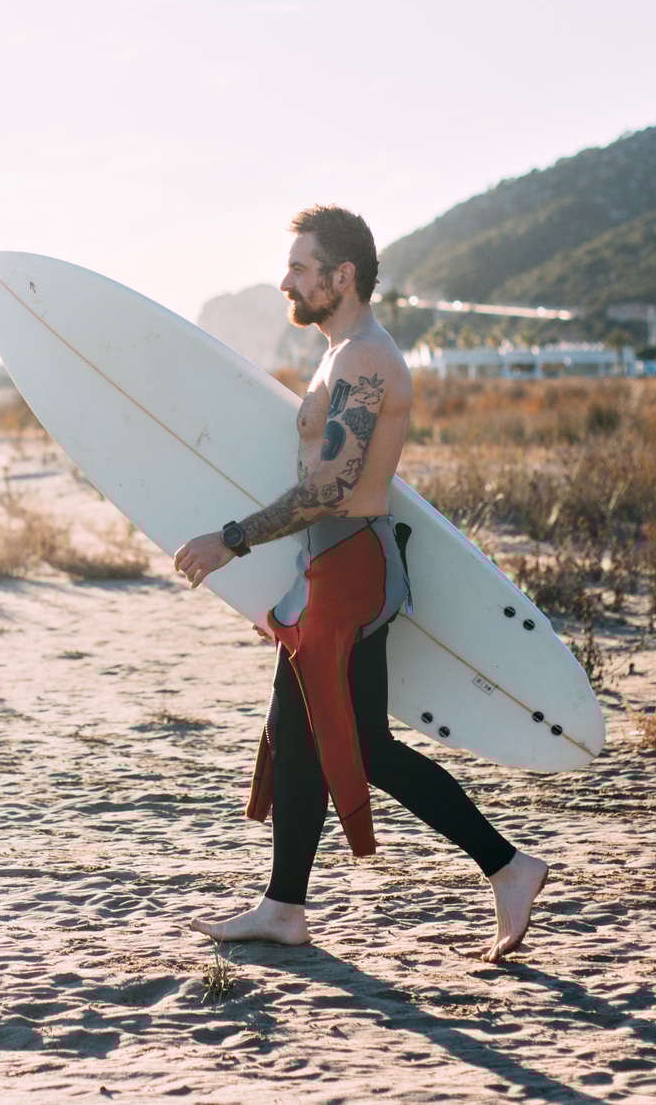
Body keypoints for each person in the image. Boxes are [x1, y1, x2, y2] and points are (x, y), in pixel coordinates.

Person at [174, 205, 549, 962]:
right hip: (329, 567)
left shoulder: (365, 361)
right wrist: (284, 590)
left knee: (365, 745)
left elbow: (332, 488)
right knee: (298, 732)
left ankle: (508, 865)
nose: (286, 280)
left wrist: (232, 541)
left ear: (342, 276)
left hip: (348, 568)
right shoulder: (340, 352)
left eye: (301, 266)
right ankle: (284, 906)